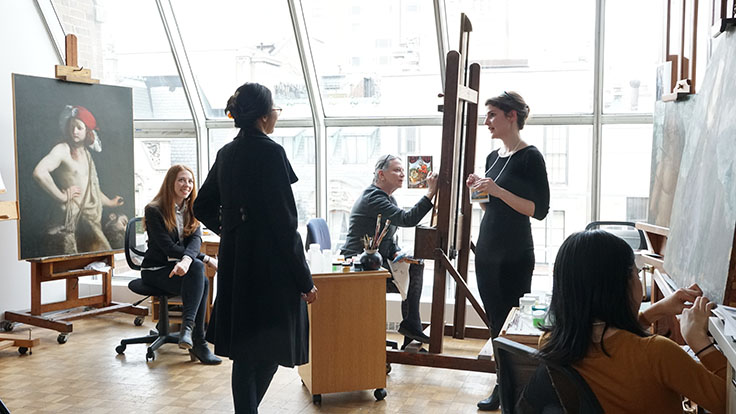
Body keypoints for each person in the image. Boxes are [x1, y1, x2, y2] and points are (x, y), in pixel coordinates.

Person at [193, 82, 317, 413]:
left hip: (237, 265)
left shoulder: (227, 153)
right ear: (264, 116)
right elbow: (285, 225)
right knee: (270, 351)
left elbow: (201, 206)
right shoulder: (271, 152)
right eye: (275, 109)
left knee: (248, 354)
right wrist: (305, 280)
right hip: (272, 269)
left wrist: (233, 229)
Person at [522, 230, 726, 413]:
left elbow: (616, 343)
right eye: (636, 274)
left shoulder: (552, 341)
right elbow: (728, 404)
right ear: (620, 287)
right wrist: (699, 342)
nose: (639, 280)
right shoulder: (657, 353)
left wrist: (656, 311)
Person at [465, 91, 550, 410]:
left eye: (491, 115)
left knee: (511, 322)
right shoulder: (492, 157)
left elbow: (537, 209)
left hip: (515, 253)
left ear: (511, 116)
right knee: (494, 320)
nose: (487, 122)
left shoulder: (531, 157)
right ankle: (503, 384)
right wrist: (480, 190)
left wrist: (498, 189)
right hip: (487, 249)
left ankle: (514, 387)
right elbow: (491, 208)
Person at [341, 154, 438, 346]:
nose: (402, 174)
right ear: (381, 174)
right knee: (414, 269)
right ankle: (411, 326)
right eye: (397, 170)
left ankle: (412, 326)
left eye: (403, 170)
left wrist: (395, 252)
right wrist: (430, 193)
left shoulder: (388, 198)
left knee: (416, 264)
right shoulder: (373, 198)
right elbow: (407, 219)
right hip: (359, 264)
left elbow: (388, 236)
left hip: (378, 259)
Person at [140, 164, 221, 365]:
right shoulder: (154, 210)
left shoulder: (192, 209)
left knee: (198, 276)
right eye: (181, 180)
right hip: (156, 270)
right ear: (171, 183)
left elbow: (195, 241)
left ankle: (189, 332)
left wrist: (187, 260)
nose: (187, 185)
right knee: (200, 278)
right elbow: (167, 247)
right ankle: (196, 340)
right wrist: (205, 258)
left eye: (190, 181)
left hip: (182, 269)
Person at [33, 105, 125, 255]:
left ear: (88, 132)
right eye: (71, 127)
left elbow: (91, 188)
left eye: (79, 128)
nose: (74, 131)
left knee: (99, 255)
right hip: (67, 220)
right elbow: (39, 172)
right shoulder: (62, 149)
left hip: (89, 221)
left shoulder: (87, 155)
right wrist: (62, 196)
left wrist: (109, 202)